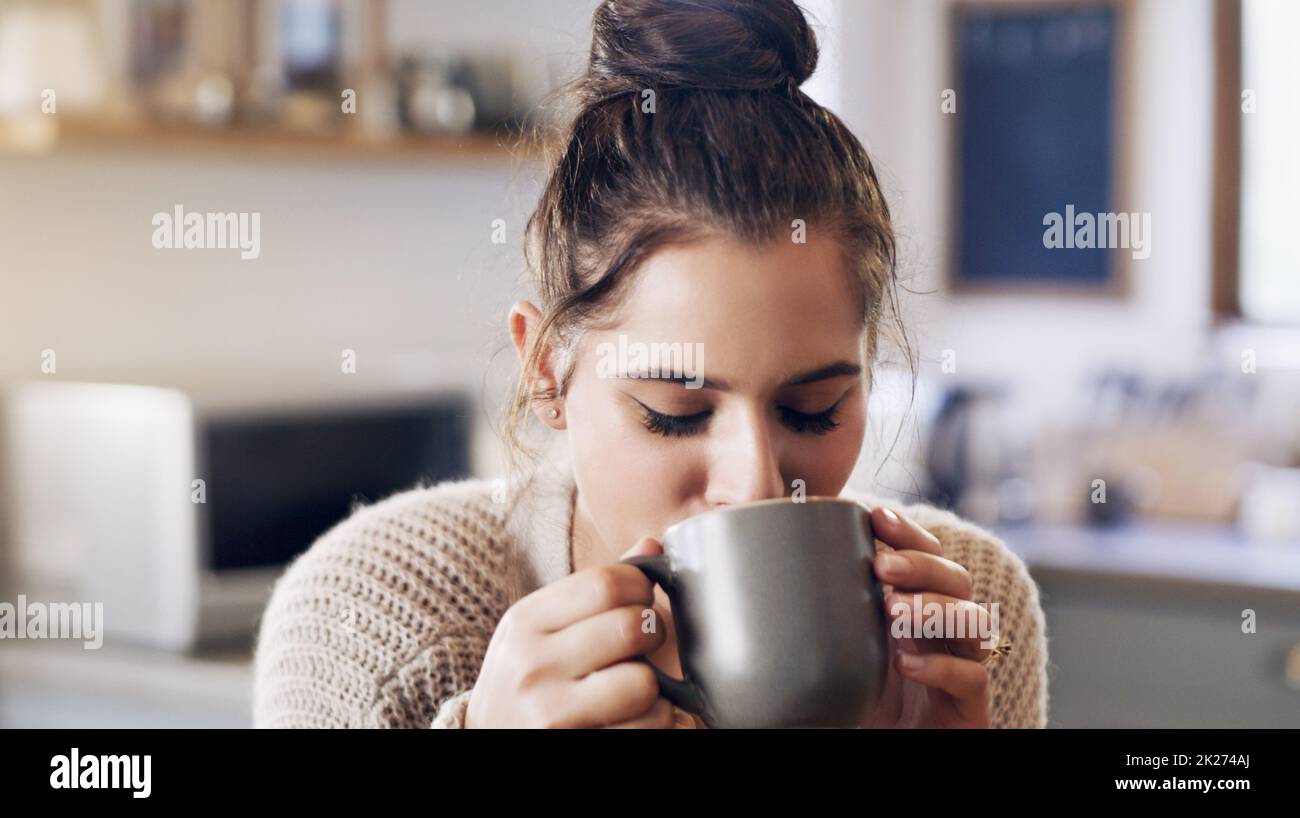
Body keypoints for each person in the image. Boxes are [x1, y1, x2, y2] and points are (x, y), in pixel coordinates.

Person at [252, 0, 1049, 729]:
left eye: (812, 411)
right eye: (675, 413)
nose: (756, 486)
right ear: (546, 370)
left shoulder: (965, 615)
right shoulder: (375, 616)